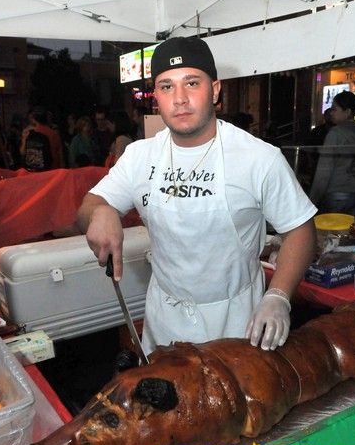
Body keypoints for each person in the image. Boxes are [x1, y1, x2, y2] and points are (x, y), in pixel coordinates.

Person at [77, 37, 317, 355]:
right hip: (165, 318)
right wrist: (101, 212)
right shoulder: (139, 157)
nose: (180, 99)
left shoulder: (259, 158)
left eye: (192, 83)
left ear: (215, 90)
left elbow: (301, 229)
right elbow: (87, 208)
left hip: (238, 321)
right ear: (155, 97)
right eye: (166, 86)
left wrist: (278, 296)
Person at [309, 91, 355, 216]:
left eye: (334, 109)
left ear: (347, 112)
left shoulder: (336, 134)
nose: (331, 112)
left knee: (333, 234)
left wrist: (313, 199)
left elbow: (323, 173)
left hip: (337, 195)